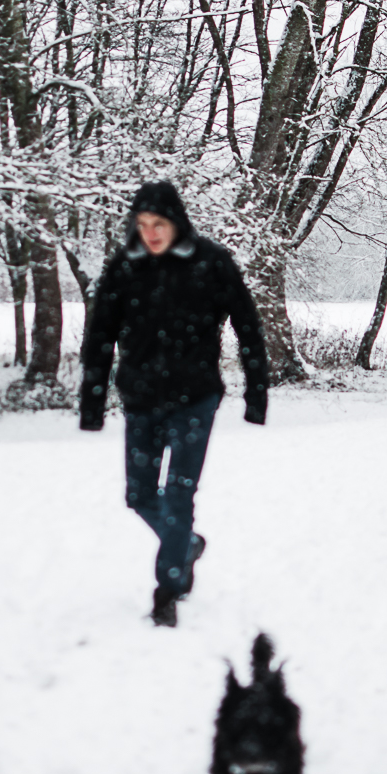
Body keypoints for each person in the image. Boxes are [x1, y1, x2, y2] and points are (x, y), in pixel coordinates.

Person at [79, 181, 269, 627]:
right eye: (142, 225)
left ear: (176, 223)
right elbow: (99, 337)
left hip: (195, 398)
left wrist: (256, 393)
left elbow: (248, 325)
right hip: (141, 399)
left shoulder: (211, 263)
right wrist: (91, 401)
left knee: (180, 494)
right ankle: (186, 545)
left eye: (158, 224)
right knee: (139, 495)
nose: (150, 233)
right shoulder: (125, 267)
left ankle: (167, 589)